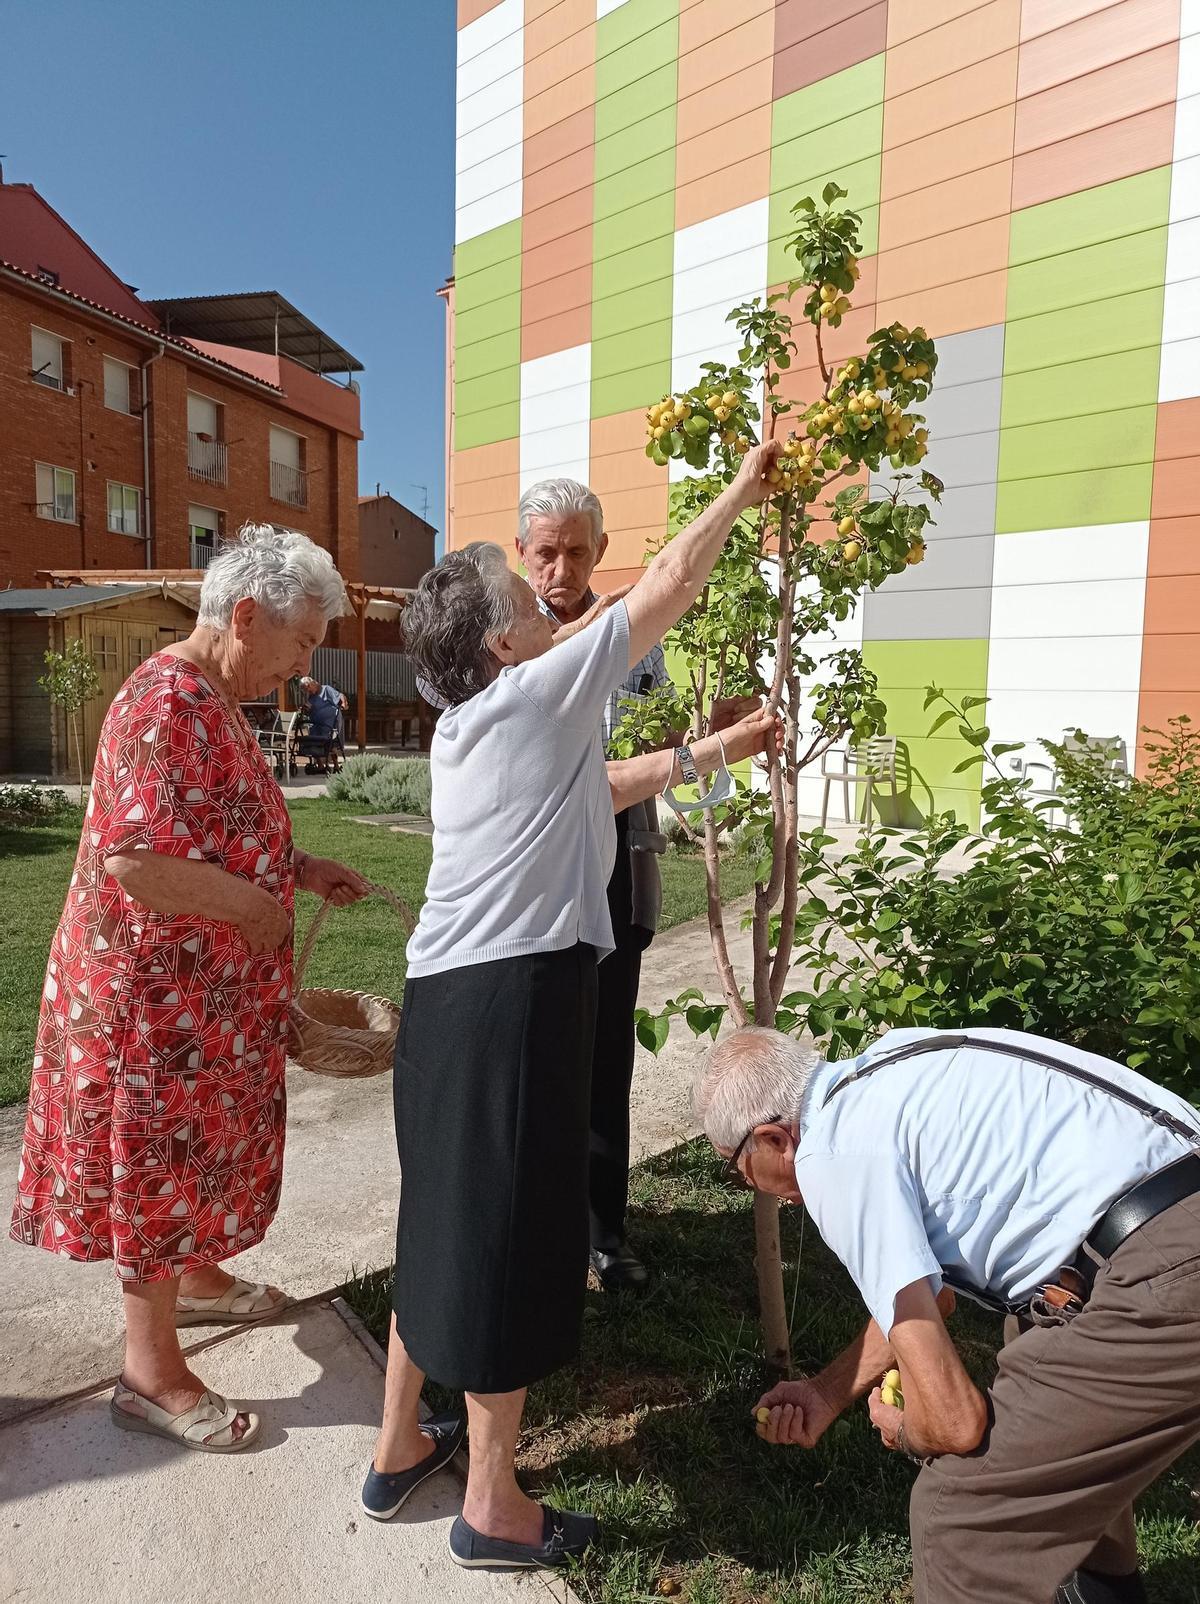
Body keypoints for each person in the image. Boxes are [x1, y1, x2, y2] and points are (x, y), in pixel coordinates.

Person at [362, 442, 783, 1570]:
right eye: (526, 588)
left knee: (441, 1215)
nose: (551, 593)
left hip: (444, 999)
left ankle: (399, 1441)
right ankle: (492, 1504)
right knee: (507, 1234)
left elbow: (598, 786)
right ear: (502, 640)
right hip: (515, 997)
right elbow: (669, 589)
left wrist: (709, 749)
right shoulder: (538, 688)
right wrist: (745, 483)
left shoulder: (477, 725)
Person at [10, 524, 370, 1452]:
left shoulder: (210, 698)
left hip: (195, 1004)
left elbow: (216, 820)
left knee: (198, 1148)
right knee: (157, 1169)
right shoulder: (164, 702)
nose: (299, 668)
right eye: (299, 644)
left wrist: (298, 865)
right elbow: (137, 860)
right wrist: (254, 911)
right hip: (148, 1008)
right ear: (245, 617)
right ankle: (148, 1372)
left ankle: (201, 1277)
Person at [694, 1024, 1200, 1604]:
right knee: (1039, 1361)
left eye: (737, 1168)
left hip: (1162, 1272)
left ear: (773, 1139)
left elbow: (955, 1422)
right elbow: (929, 1300)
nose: (748, 1185)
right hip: (1162, 1226)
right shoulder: (888, 1067)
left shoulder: (833, 1155)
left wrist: (909, 1432)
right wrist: (827, 1393)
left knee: (957, 1519)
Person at [515, 477, 759, 1294]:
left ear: (601, 552)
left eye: (577, 552)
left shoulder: (636, 641)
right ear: (523, 555)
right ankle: (540, 1229)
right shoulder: (505, 638)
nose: (561, 569)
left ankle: (604, 1234)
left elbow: (656, 753)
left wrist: (708, 736)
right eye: (546, 553)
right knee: (538, 1055)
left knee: (606, 1056)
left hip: (619, 857)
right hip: (538, 869)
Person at [297, 673, 346, 774]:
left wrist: (343, 703)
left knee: (329, 738)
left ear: (313, 683)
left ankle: (336, 765)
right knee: (312, 736)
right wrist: (305, 709)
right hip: (317, 724)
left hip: (330, 723)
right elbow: (309, 709)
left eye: (308, 688)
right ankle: (320, 765)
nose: (308, 691)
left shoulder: (326, 689)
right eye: (306, 690)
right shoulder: (312, 697)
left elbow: (340, 696)